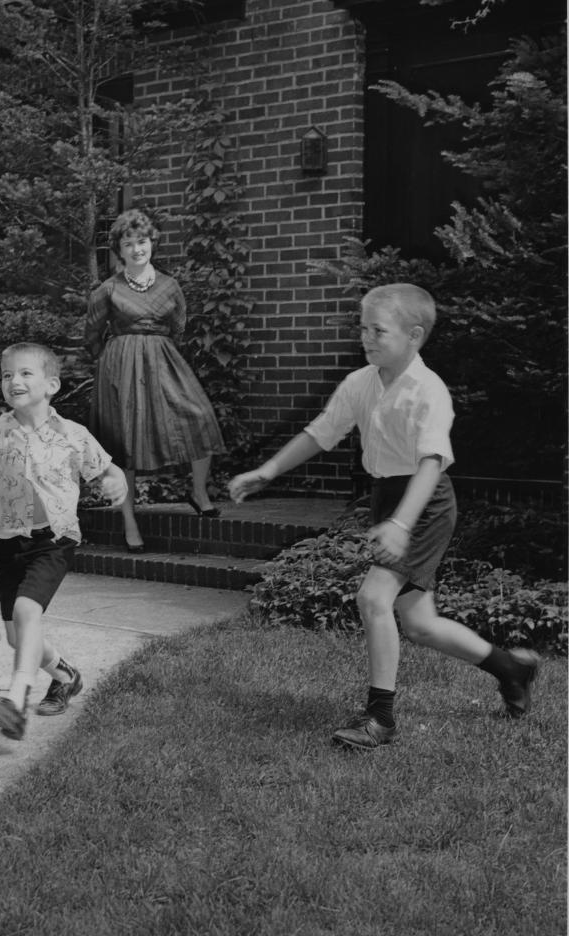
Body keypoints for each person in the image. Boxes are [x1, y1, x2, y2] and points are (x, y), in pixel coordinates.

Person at [228, 282, 539, 751]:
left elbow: (432, 464)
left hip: (424, 501)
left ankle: (381, 719)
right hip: (388, 497)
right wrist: (266, 471)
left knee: (373, 598)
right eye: (363, 328)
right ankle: (512, 669)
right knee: (419, 624)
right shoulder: (361, 382)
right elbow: (320, 432)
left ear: (414, 335)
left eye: (378, 330)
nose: (366, 338)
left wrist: (401, 523)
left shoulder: (428, 391)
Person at [0, 342, 127, 740]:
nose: (13, 381)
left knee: (26, 610)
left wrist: (115, 482)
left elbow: (108, 471)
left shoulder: (74, 435)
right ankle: (65, 676)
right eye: (6, 375)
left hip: (54, 540)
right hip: (8, 540)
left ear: (51, 384)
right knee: (17, 637)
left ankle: (15, 701)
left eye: (24, 373)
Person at [85, 208, 225, 553]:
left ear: (152, 243)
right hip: (119, 368)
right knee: (126, 443)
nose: (136, 249)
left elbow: (178, 326)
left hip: (163, 362)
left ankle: (199, 490)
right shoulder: (108, 290)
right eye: (128, 243)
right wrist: (114, 360)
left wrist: (154, 350)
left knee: (200, 417)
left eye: (142, 241)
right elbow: (91, 335)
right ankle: (129, 521)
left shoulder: (169, 286)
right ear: (119, 249)